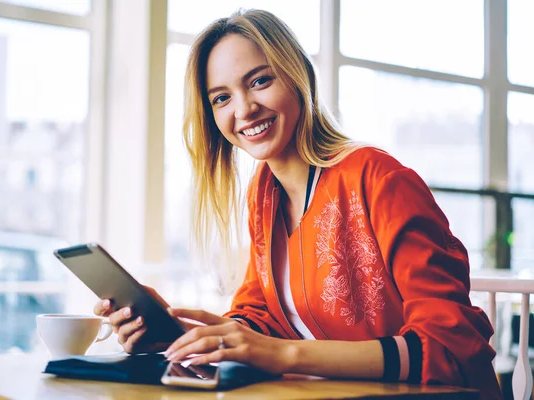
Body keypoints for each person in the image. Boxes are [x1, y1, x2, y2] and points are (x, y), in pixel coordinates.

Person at [94, 9, 502, 399]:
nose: (244, 109)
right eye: (221, 98)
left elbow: (450, 348)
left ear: (298, 76)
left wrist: (285, 355)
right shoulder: (263, 193)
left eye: (259, 81)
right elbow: (260, 319)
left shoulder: (380, 179)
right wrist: (179, 331)